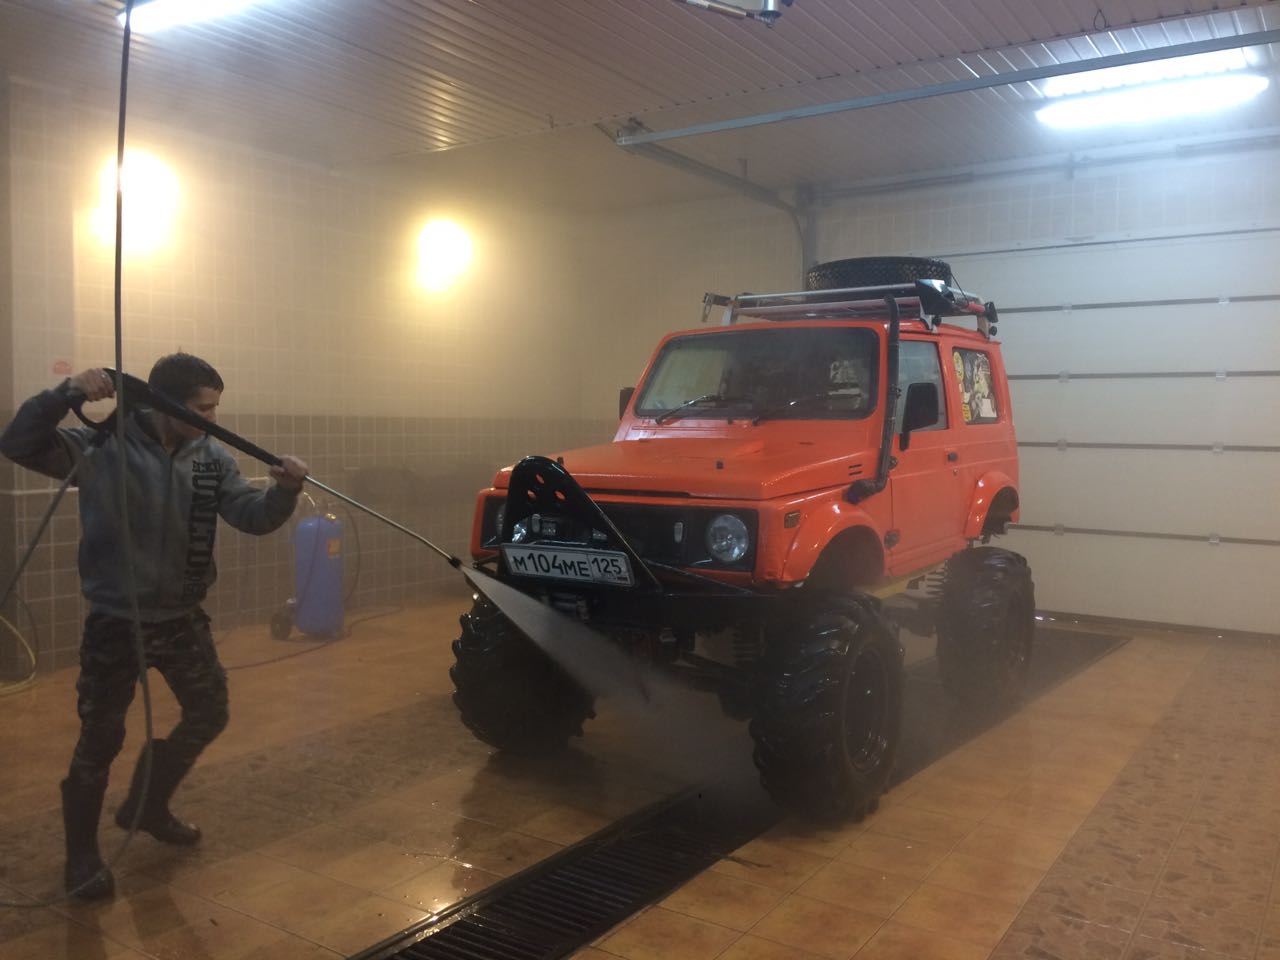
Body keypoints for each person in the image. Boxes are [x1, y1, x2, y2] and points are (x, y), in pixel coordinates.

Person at [0, 354, 308, 899]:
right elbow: (18, 443)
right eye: (201, 408)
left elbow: (253, 517)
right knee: (101, 738)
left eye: (216, 407)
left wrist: (283, 491)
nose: (212, 418)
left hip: (182, 618)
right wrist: (67, 393)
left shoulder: (212, 457)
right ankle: (82, 857)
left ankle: (146, 805)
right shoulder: (100, 446)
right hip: (116, 622)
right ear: (163, 403)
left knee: (209, 711)